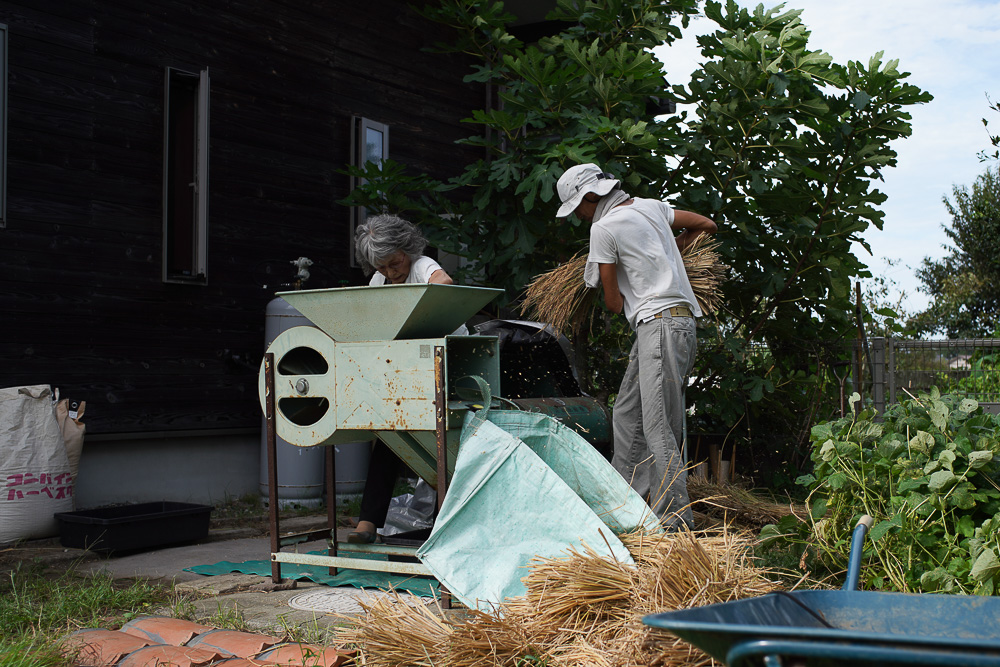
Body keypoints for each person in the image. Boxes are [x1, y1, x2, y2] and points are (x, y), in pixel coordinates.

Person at [555, 163, 717, 529]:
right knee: (628, 412)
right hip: (674, 325)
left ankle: (675, 523)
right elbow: (706, 224)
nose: (580, 217)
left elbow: (613, 303)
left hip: (658, 326)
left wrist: (613, 275)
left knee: (659, 427)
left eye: (578, 208)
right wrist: (672, 251)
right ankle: (622, 509)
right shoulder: (652, 207)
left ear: (591, 198)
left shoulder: (603, 228)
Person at [349, 213, 462, 543]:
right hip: (402, 367)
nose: (390, 272)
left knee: (442, 442)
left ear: (406, 249)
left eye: (393, 262)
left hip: (444, 361)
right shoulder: (379, 282)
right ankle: (368, 522)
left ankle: (444, 525)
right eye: (381, 267)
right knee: (390, 434)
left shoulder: (421, 266)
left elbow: (445, 284)